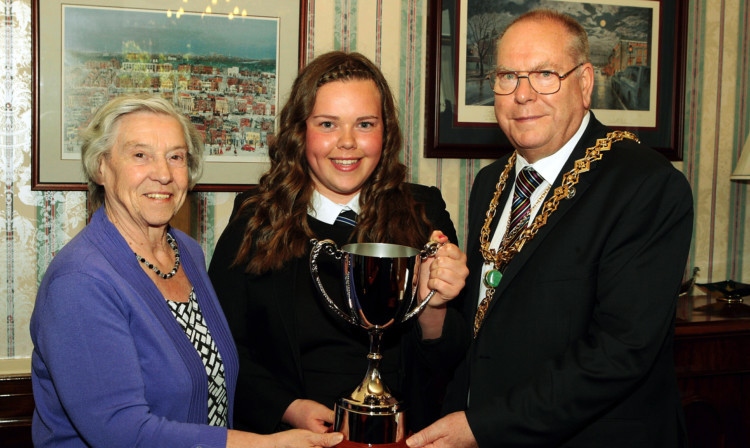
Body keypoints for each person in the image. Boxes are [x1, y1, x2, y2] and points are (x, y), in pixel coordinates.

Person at [407, 9, 693, 448]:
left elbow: (620, 352)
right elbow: (490, 327)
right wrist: (437, 305)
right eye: (507, 76)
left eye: (544, 74)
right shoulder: (491, 183)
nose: (522, 95)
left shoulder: (645, 185)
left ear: (585, 83)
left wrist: (484, 425)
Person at [30, 94, 343, 448]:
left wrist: (291, 408)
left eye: (175, 157)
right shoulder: (80, 282)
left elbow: (212, 379)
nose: (163, 174)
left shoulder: (187, 251)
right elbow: (121, 432)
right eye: (140, 155)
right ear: (101, 167)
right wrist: (265, 445)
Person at [208, 51, 469, 435]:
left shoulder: (424, 214)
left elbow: (453, 361)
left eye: (365, 124)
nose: (347, 143)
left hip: (403, 438)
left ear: (386, 132)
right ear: (301, 131)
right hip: (290, 439)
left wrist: (435, 304)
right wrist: (288, 408)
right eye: (328, 124)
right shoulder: (255, 219)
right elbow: (223, 347)